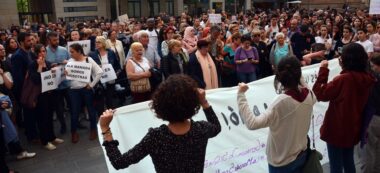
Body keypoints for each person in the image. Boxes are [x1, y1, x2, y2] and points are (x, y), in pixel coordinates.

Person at [99, 74, 221, 172]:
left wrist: (105, 128)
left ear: (160, 104)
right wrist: (204, 102)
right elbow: (216, 127)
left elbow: (119, 162)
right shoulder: (201, 129)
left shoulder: (156, 137)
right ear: (193, 103)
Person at [237, 56, 316, 173]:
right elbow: (306, 88)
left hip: (282, 162)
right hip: (301, 155)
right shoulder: (309, 95)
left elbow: (252, 123)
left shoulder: (281, 102)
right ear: (298, 73)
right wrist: (299, 75)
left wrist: (241, 95)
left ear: (279, 76)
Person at [313, 43, 376, 173]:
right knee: (348, 161)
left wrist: (323, 70)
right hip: (353, 127)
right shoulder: (367, 78)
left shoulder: (344, 79)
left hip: (336, 129)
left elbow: (319, 93)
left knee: (336, 165)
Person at [28, 44, 64, 150]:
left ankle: (52, 137)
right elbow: (35, 80)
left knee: (49, 117)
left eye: (44, 51)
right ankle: (45, 141)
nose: (42, 53)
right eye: (40, 52)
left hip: (50, 95)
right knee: (42, 119)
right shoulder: (33, 64)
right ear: (36, 53)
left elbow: (51, 79)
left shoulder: (48, 63)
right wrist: (39, 66)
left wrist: (56, 73)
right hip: (40, 96)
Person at [67, 43, 103, 143]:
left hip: (86, 90)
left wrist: (91, 85)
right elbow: (68, 74)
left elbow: (99, 72)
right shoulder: (70, 61)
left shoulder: (88, 60)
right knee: (74, 112)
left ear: (79, 51)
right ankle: (73, 132)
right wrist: (66, 73)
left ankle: (93, 130)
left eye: (72, 52)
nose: (71, 54)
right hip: (73, 90)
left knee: (91, 110)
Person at [11, 32, 35, 140]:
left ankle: (33, 133)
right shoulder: (17, 56)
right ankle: (31, 136)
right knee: (28, 115)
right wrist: (26, 93)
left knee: (32, 113)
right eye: (28, 41)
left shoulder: (29, 52)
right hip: (24, 91)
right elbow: (18, 78)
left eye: (31, 40)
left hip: (31, 89)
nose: (31, 42)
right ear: (21, 42)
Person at [89, 36, 121, 113]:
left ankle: (112, 119)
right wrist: (96, 67)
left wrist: (116, 73)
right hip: (99, 82)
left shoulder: (110, 52)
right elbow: (89, 68)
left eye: (98, 42)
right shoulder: (92, 54)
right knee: (100, 104)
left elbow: (117, 66)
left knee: (110, 101)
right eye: (96, 42)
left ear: (103, 43)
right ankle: (102, 120)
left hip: (110, 80)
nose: (96, 44)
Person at [45, 31, 69, 134]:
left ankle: (76, 123)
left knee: (72, 105)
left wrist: (67, 63)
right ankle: (63, 125)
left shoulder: (64, 50)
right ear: (48, 40)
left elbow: (71, 62)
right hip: (54, 85)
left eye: (58, 39)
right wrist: (49, 66)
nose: (57, 41)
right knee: (59, 108)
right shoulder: (44, 51)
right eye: (54, 40)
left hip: (66, 83)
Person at [363, 54, 380, 173]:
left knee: (368, 151)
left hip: (374, 118)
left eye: (373, 66)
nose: (372, 68)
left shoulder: (374, 79)